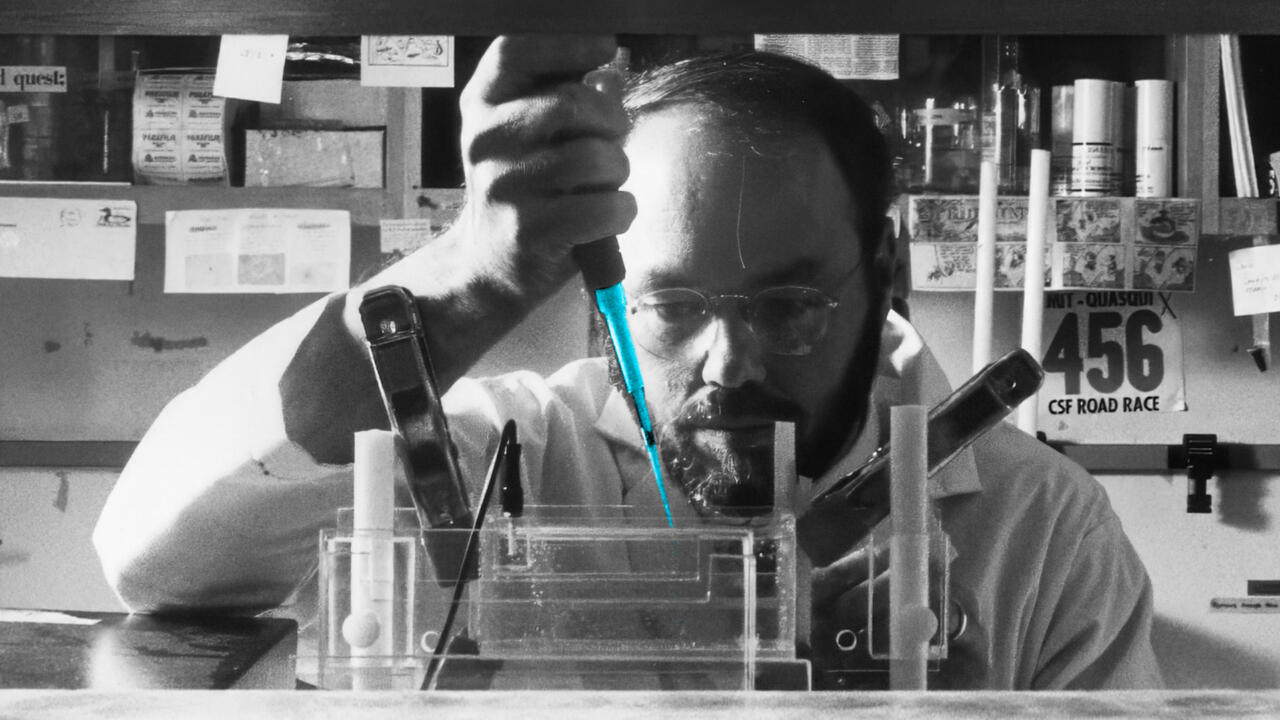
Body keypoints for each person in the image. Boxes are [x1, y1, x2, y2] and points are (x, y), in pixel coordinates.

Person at [93, 35, 1162, 690]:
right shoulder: (498, 459)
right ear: (600, 290)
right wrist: (470, 272)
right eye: (669, 305)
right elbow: (153, 562)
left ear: (880, 268)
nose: (727, 359)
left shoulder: (1037, 527)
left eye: (790, 303)